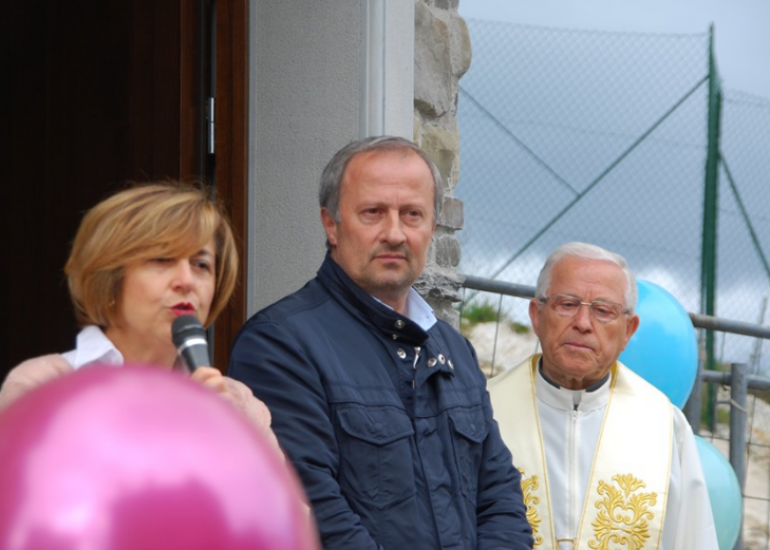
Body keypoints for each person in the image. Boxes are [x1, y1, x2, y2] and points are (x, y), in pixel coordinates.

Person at [227, 136, 534, 549]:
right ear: (331, 225)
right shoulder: (280, 345)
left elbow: (499, 500)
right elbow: (313, 511)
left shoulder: (454, 350)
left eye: (412, 215)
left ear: (431, 226)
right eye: (373, 213)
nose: (395, 233)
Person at [0, 182, 277, 449]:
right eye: (162, 259)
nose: (186, 280)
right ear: (111, 276)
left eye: (200, 264)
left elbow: (284, 499)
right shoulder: (43, 386)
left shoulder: (238, 405)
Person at [488, 242, 718, 550]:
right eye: (567, 304)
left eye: (603, 311)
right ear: (536, 315)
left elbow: (694, 540)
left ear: (628, 331)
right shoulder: (483, 410)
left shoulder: (664, 426)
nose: (583, 324)